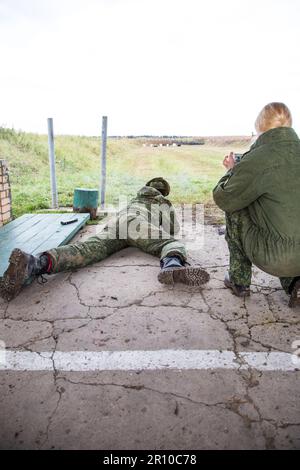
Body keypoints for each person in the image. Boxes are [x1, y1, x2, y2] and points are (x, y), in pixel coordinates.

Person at [0, 177, 209, 301]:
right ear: (163, 191)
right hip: (137, 226)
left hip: (116, 225)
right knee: (171, 244)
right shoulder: (161, 200)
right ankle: (172, 266)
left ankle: (36, 263)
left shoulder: (135, 199)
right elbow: (173, 229)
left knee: (85, 250)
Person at [213, 102, 300, 307]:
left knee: (236, 206)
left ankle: (239, 280)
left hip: (277, 258)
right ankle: (296, 282)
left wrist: (232, 171)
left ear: (260, 126)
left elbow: (224, 198)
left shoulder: (258, 158)